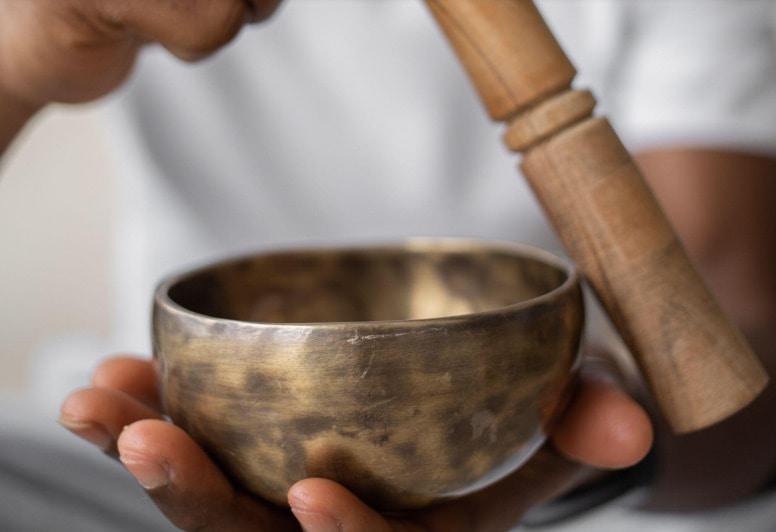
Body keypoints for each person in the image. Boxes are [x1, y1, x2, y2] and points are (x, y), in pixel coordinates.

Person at [1, 0, 774, 530]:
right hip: (163, 442)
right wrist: (19, 67)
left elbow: (733, 365)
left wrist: (578, 460)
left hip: (546, 461)